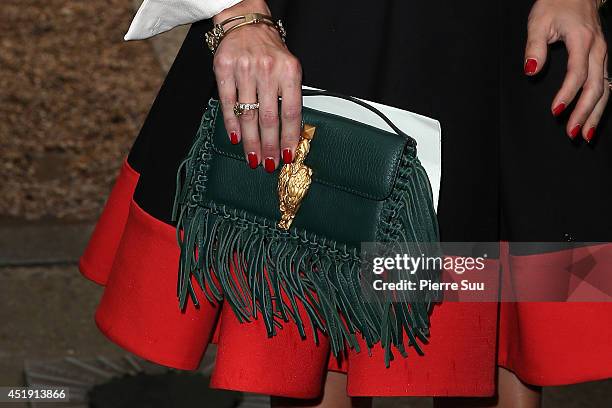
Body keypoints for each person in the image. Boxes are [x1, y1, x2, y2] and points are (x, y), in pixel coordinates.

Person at [80, 0, 612, 407]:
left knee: (496, 329)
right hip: (330, 24)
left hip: (508, 33)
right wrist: (237, 12)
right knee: (313, 337)